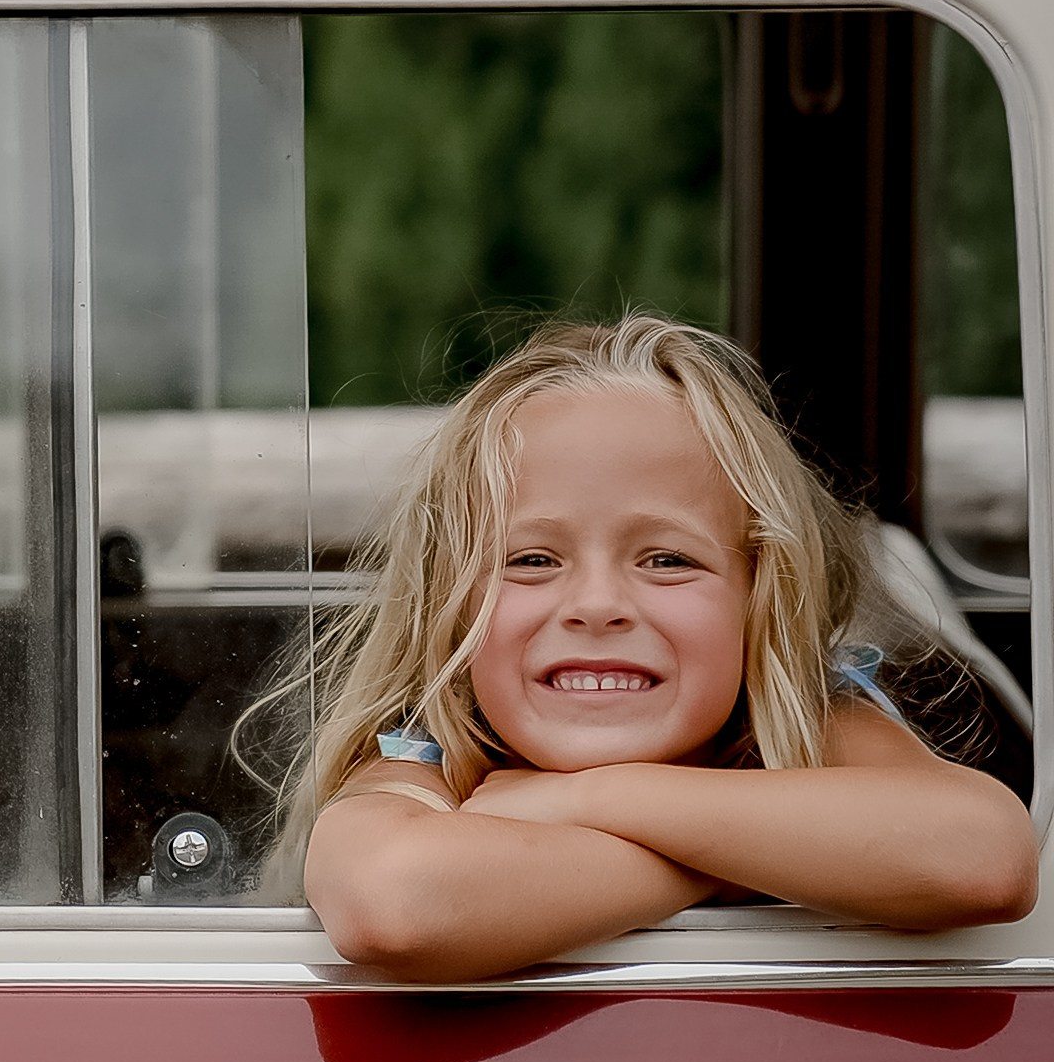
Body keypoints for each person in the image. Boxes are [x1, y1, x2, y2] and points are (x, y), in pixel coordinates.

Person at [286, 314, 1038, 980]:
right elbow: (394, 903)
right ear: (451, 611)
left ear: (759, 598)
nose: (598, 607)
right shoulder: (432, 756)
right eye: (531, 560)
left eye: (668, 560)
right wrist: (743, 865)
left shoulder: (807, 727)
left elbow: (985, 858)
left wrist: (591, 798)